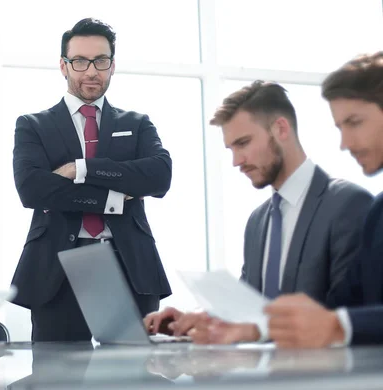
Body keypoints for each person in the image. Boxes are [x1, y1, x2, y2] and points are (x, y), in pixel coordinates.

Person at [145, 81, 372, 343]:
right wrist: (197, 320)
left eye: (243, 143)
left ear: (281, 128)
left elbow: (349, 317)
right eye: (231, 149)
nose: (236, 161)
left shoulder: (349, 204)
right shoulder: (258, 221)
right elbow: (250, 311)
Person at [11, 18, 172, 342]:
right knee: (56, 376)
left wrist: (80, 169)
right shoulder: (33, 125)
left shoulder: (138, 124)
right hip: (58, 267)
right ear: (63, 65)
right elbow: (32, 188)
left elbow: (159, 176)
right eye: (80, 61)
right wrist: (115, 197)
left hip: (129, 264)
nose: (91, 71)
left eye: (101, 61)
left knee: (131, 375)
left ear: (112, 65)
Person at [265, 51, 383, 347]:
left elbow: (341, 321)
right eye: (340, 127)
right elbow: (346, 306)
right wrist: (256, 329)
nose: (344, 144)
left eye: (354, 122)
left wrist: (339, 326)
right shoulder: (378, 213)